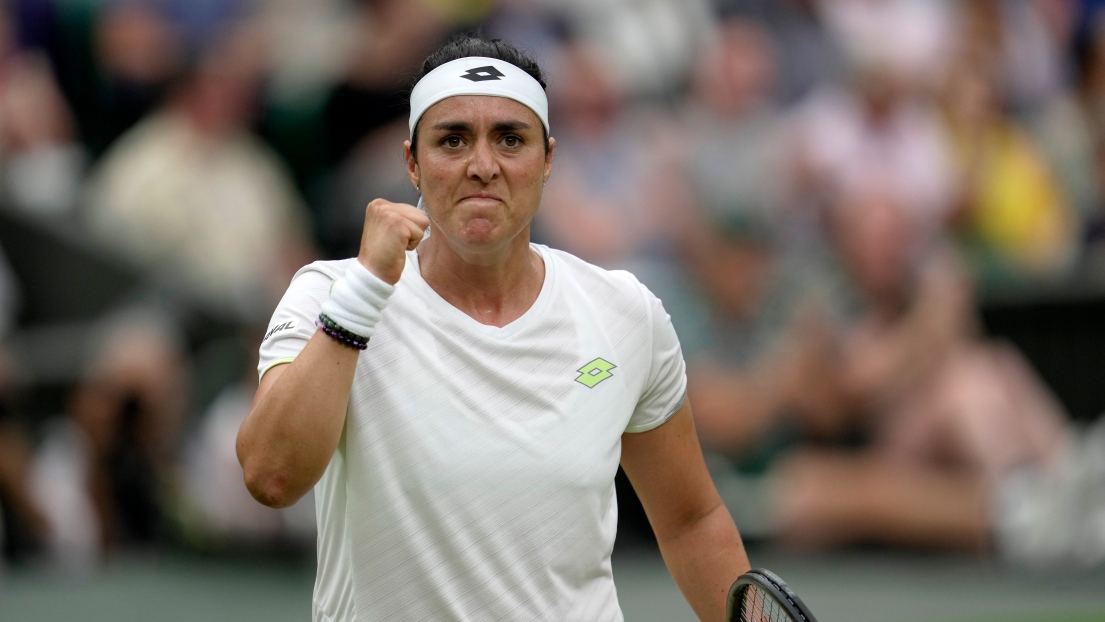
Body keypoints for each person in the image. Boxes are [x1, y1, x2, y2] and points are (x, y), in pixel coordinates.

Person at [236, 36, 749, 622]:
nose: (483, 166)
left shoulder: (625, 312)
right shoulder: (330, 295)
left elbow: (691, 520)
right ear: (412, 163)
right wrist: (362, 296)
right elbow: (271, 476)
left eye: (510, 139)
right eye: (453, 140)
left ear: (547, 160)